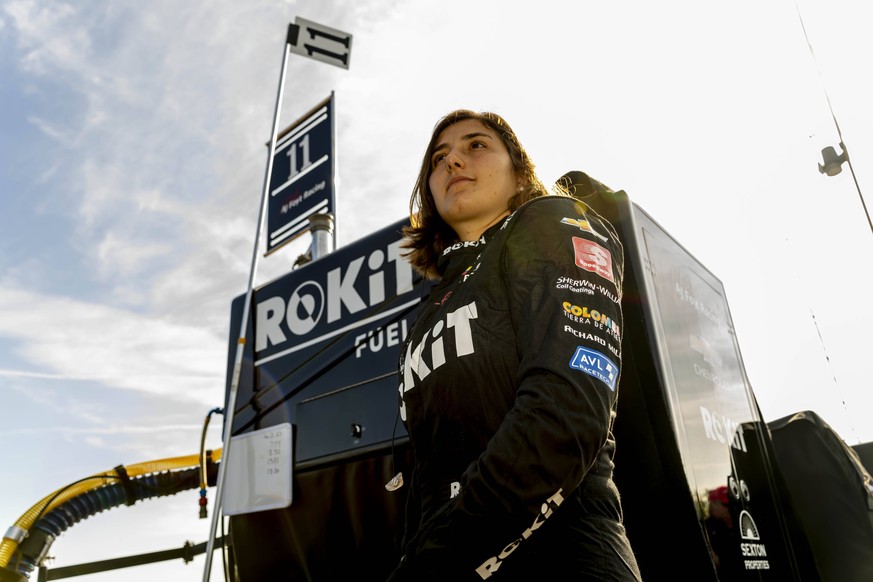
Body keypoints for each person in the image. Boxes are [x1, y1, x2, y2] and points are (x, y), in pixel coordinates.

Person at [388, 109, 641, 581]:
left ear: (520, 172)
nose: (453, 162)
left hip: (566, 560)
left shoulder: (553, 221)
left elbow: (567, 412)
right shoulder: (435, 304)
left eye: (475, 145)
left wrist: (438, 560)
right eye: (439, 158)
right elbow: (428, 470)